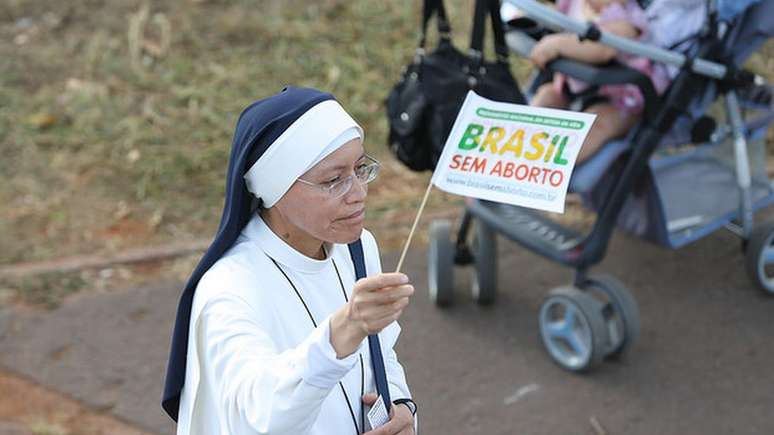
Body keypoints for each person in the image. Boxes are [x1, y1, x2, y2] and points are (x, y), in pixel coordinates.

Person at [162, 87, 418, 434]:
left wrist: (401, 403)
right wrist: (341, 332)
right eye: (333, 180)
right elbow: (260, 415)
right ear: (275, 188)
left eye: (360, 169)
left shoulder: (358, 248)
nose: (359, 194)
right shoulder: (229, 292)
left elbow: (381, 351)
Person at [528, 0, 670, 162]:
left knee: (597, 124)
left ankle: (551, 165)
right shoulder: (572, 4)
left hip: (621, 96)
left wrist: (558, 45)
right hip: (572, 85)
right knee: (546, 97)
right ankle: (514, 152)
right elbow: (555, 18)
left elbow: (604, 49)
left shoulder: (627, 18)